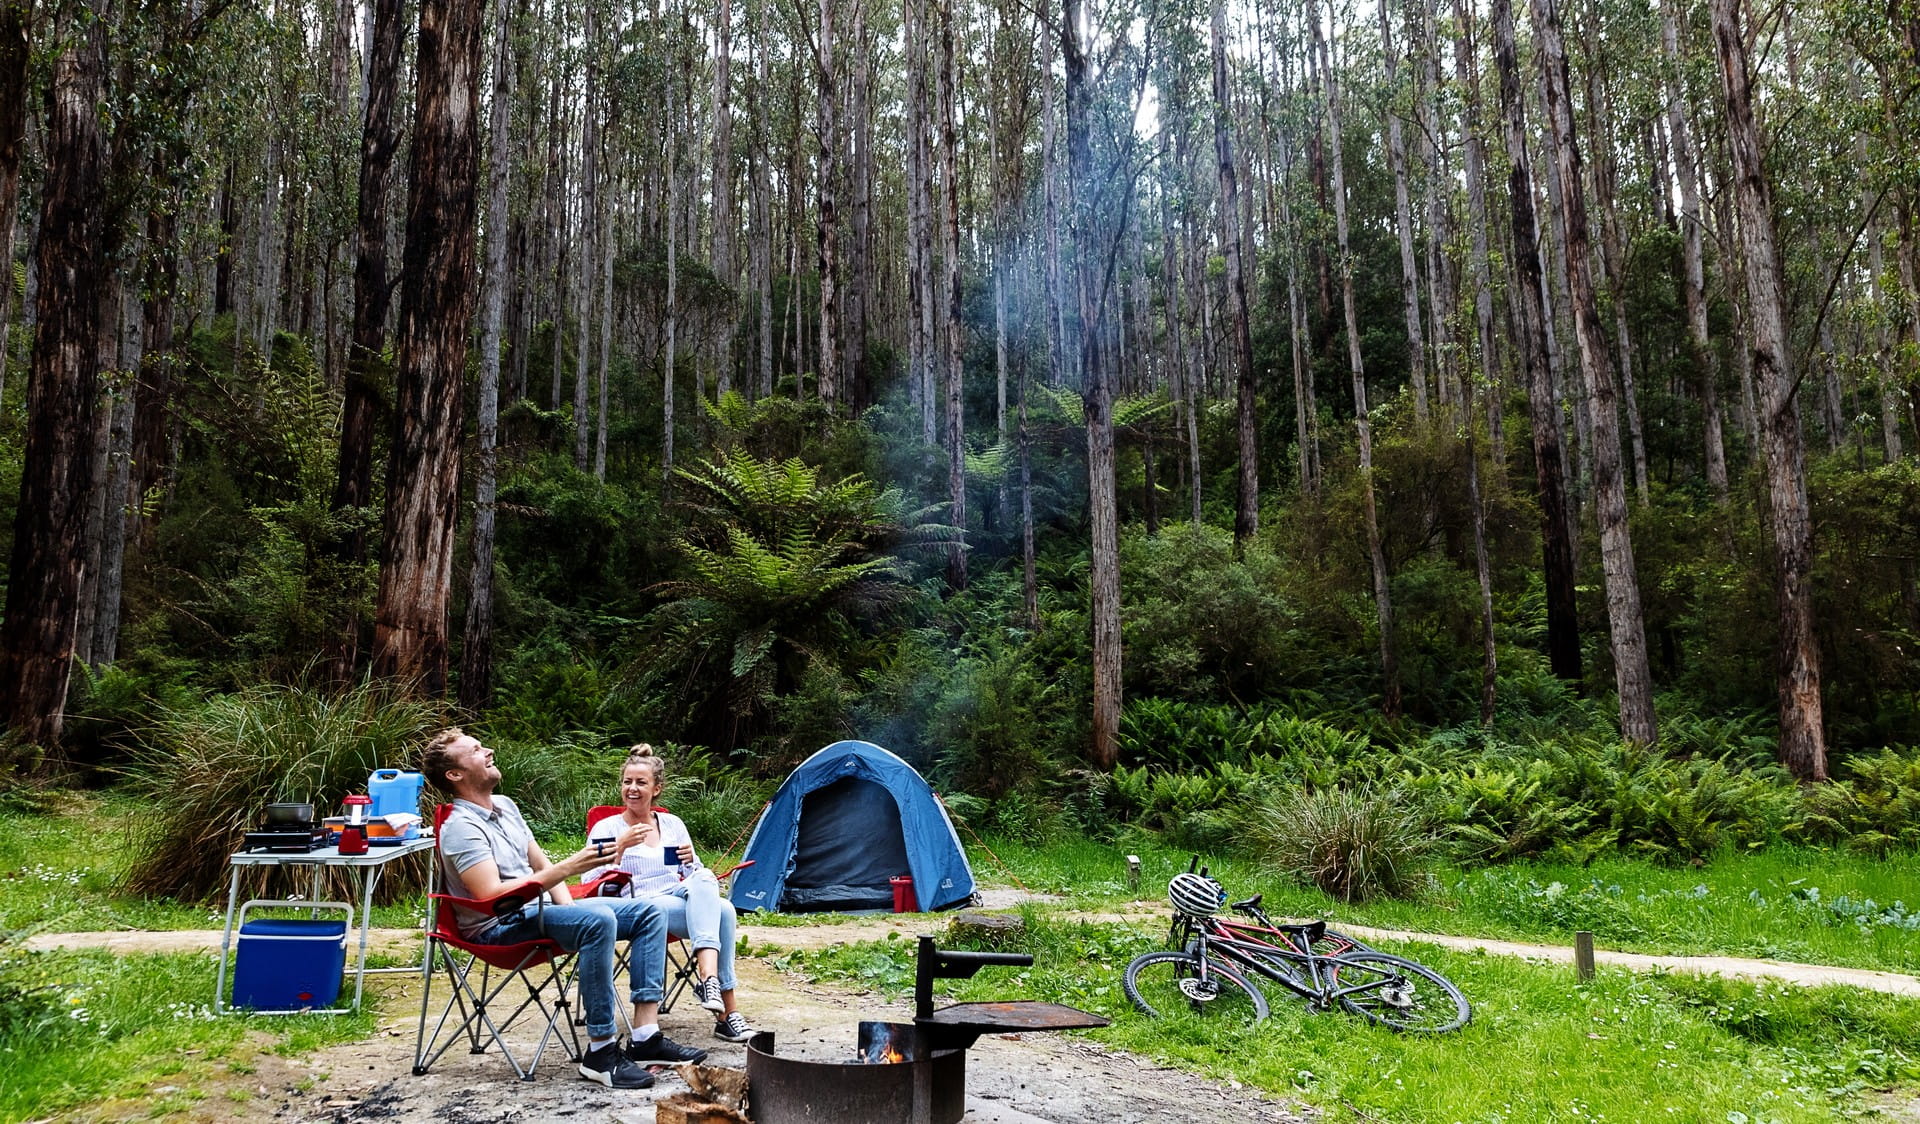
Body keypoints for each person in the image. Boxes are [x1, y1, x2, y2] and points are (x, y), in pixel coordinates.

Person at [421, 728, 709, 1089]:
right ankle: (601, 1052)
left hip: (539, 912)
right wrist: (572, 871)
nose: (489, 751)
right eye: (477, 751)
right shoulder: (459, 827)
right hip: (498, 925)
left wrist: (573, 910)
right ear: (455, 775)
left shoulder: (506, 806)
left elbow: (541, 864)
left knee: (649, 912)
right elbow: (491, 897)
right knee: (598, 919)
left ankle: (646, 1037)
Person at [586, 744, 753, 1043]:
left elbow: (693, 879)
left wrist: (692, 861)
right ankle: (724, 1009)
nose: (632, 788)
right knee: (723, 911)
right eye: (627, 782)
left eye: (641, 782)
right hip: (639, 907)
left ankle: (710, 981)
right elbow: (592, 884)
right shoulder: (606, 827)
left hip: (675, 896)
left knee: (712, 889)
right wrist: (619, 847)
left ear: (657, 788)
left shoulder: (673, 824)